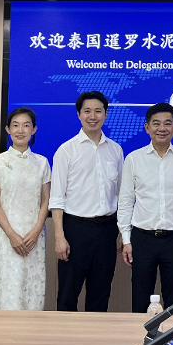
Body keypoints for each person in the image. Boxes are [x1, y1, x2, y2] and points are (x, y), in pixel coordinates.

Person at [118, 102, 173, 312]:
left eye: (167, 124)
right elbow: (125, 201)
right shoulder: (134, 159)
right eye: (156, 123)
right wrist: (126, 240)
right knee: (141, 299)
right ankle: (141, 334)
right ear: (147, 127)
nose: (162, 128)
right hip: (142, 238)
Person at [50, 91, 123, 312]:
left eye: (98, 111)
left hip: (107, 229)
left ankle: (97, 334)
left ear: (106, 114)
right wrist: (60, 237)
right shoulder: (66, 150)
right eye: (87, 111)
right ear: (79, 115)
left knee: (100, 293)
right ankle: (65, 334)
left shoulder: (115, 150)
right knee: (68, 293)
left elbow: (121, 195)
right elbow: (57, 198)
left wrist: (122, 232)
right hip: (75, 229)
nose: (93, 116)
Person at [0, 108, 51, 310]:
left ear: (34, 130)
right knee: (7, 290)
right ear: (8, 129)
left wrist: (37, 230)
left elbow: (46, 200)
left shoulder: (42, 163)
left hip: (34, 237)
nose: (20, 130)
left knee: (32, 291)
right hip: (6, 237)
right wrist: (12, 235)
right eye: (15, 125)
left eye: (26, 125)